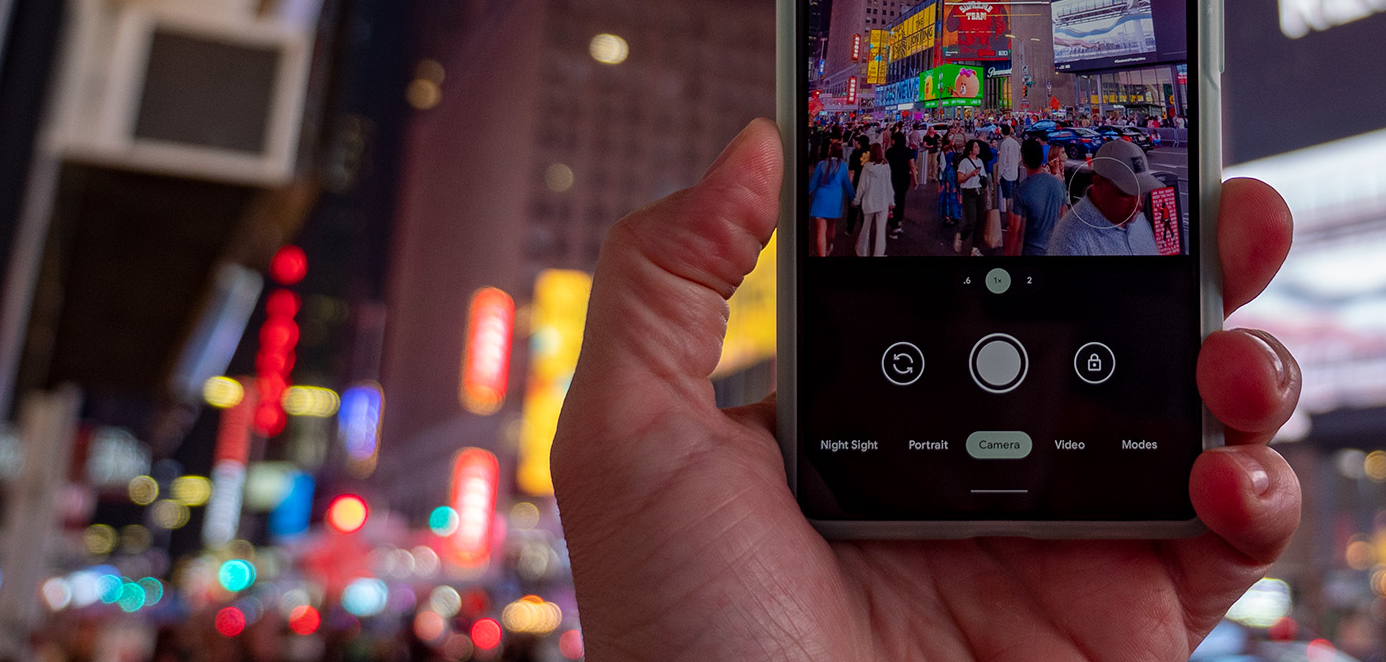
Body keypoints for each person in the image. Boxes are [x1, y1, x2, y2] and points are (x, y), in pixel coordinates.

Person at [553, 119, 1301, 660]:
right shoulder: (1073, 234)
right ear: (1098, 183)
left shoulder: (1131, 230)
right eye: (1124, 191)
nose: (1136, 202)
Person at [1049, 139, 1162, 256]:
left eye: (1141, 192)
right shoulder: (1069, 241)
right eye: (1126, 194)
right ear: (1098, 182)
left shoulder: (1138, 220)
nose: (1138, 204)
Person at [1013, 139, 1068, 257]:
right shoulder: (1059, 184)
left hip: (1031, 250)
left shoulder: (1021, 191)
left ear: (1023, 161)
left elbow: (1015, 230)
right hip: (1054, 246)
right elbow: (1063, 214)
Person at [806, 139, 852, 256]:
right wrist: (854, 198)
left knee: (820, 231)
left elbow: (813, 184)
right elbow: (847, 184)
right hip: (835, 200)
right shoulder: (842, 166)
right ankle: (829, 246)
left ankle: (822, 255)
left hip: (820, 200)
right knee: (831, 227)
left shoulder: (822, 164)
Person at [852, 146, 893, 257]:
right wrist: (891, 201)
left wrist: (856, 200)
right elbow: (888, 185)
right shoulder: (886, 167)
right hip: (883, 200)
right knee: (880, 231)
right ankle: (878, 253)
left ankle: (862, 251)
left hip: (869, 201)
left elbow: (862, 186)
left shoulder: (866, 167)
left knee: (865, 228)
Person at [953, 139, 987, 255]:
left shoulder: (980, 161)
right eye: (976, 147)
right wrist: (970, 174)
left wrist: (986, 194)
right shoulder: (964, 162)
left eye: (978, 147)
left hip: (980, 192)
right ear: (970, 150)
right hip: (969, 193)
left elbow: (984, 179)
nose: (978, 148)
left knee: (980, 221)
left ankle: (975, 248)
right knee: (972, 220)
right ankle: (961, 236)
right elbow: (959, 179)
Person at [997, 122, 1023, 254]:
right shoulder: (1015, 143)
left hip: (1006, 174)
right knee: (1012, 197)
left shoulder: (1005, 144)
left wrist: (998, 176)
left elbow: (1002, 162)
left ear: (1002, 132)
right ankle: (1013, 222)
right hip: (1014, 172)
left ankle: (1010, 223)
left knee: (1008, 200)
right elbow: (1019, 157)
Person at [885, 130, 913, 239]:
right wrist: (915, 180)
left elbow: (886, 164)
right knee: (901, 199)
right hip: (905, 178)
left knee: (893, 201)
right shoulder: (907, 151)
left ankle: (894, 225)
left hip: (893, 178)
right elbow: (912, 165)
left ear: (894, 141)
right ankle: (899, 222)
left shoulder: (890, 151)